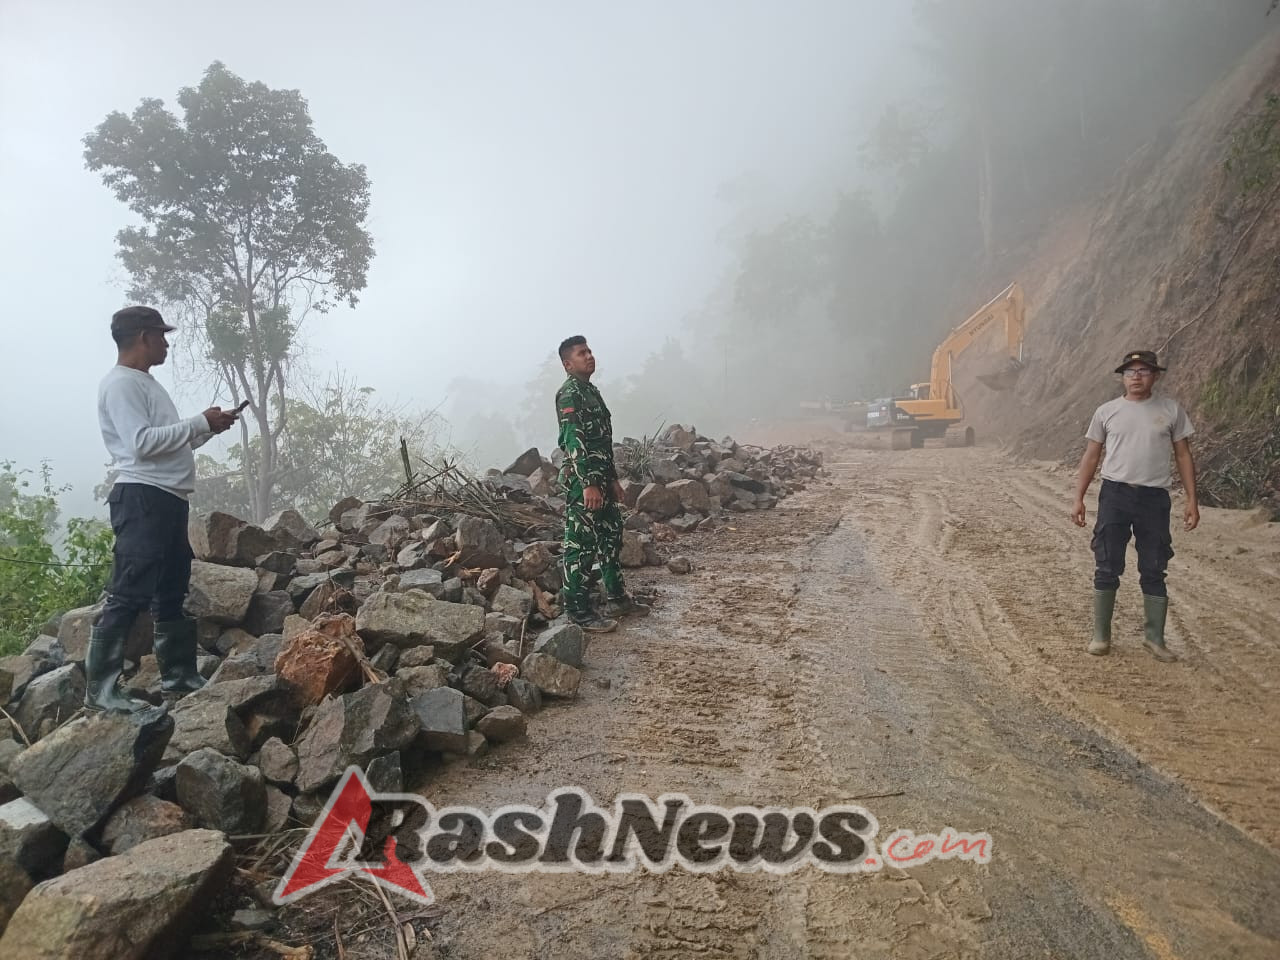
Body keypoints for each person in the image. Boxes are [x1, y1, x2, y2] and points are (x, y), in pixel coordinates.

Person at [88, 306, 240, 711]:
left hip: (167, 498)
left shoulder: (145, 383)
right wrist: (198, 421)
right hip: (142, 497)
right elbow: (140, 443)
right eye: (162, 335)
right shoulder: (121, 384)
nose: (166, 344)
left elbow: (168, 442)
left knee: (172, 587)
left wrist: (208, 428)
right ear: (143, 337)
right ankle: (101, 691)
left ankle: (179, 676)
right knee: (128, 591)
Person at [1072, 349, 1199, 662]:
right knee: (1107, 563)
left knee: (1154, 565)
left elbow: (1183, 455)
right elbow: (1091, 455)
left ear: (1155, 376)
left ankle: (1154, 638)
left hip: (1154, 498)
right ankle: (1101, 635)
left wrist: (1192, 500)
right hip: (1115, 495)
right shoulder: (1107, 412)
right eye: (1130, 371)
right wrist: (1078, 498)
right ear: (1122, 377)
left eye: (1144, 371)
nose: (1137, 376)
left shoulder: (1171, 410)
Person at [555, 336, 648, 632]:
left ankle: (617, 598)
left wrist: (612, 479)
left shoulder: (591, 391)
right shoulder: (569, 394)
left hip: (601, 481)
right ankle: (578, 612)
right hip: (582, 483)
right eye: (582, 353)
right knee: (580, 545)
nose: (589, 356)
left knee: (610, 537)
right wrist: (588, 484)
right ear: (568, 364)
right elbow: (574, 441)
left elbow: (601, 442)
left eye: (590, 351)